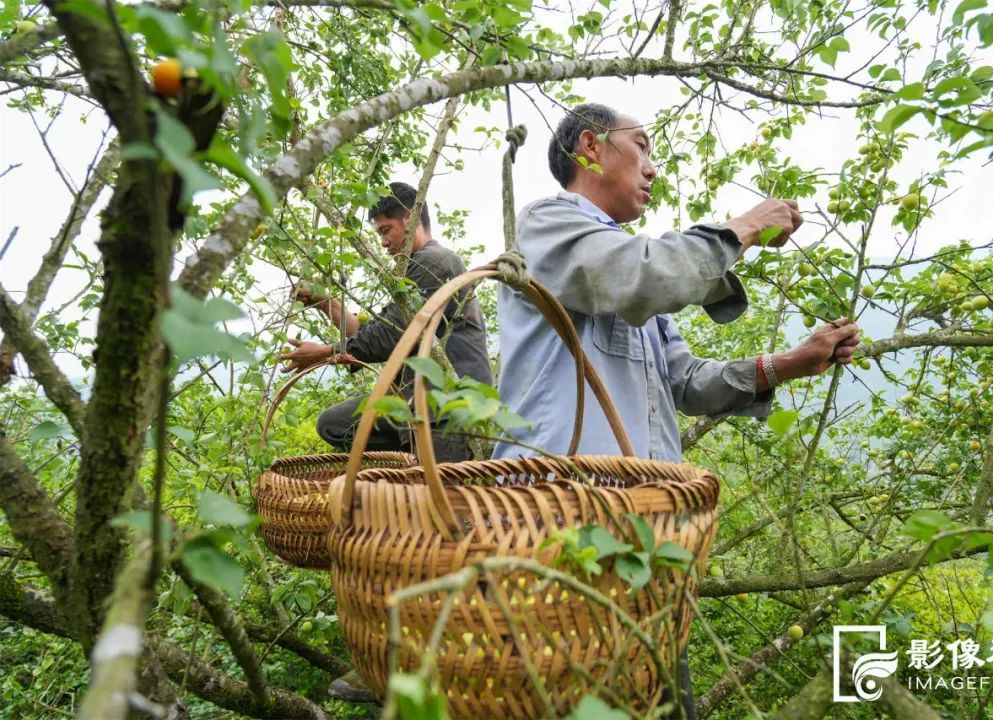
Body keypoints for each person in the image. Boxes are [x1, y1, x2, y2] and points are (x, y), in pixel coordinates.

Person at [494, 103, 861, 718]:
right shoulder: (549, 225)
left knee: (659, 697)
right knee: (567, 692)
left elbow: (685, 381)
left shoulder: (630, 269)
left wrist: (789, 364)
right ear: (591, 147)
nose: (654, 168)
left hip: (641, 532)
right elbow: (645, 276)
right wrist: (737, 231)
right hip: (557, 520)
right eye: (643, 146)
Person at [280, 182, 493, 462]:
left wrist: (325, 353)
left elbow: (386, 339)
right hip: (414, 403)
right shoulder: (414, 271)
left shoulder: (435, 262)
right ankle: (405, 466)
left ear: (410, 218)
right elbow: (382, 331)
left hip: (450, 409)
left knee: (443, 497)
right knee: (335, 424)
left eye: (385, 230)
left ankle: (416, 475)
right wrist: (328, 305)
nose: (382, 242)